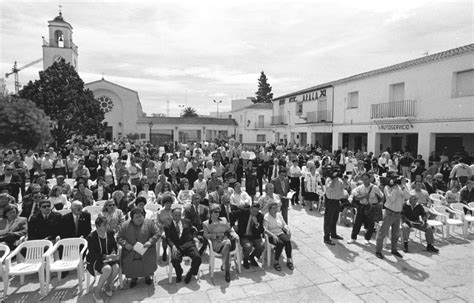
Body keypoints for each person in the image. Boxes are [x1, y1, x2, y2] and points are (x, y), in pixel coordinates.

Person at [118, 208, 160, 288]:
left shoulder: (149, 223)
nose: (139, 219)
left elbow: (157, 233)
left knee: (147, 265)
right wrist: (126, 244)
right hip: (131, 251)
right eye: (136, 217)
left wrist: (150, 241)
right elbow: (119, 237)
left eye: (140, 216)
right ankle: (134, 279)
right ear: (132, 218)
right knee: (134, 265)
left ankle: (147, 277)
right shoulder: (124, 225)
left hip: (146, 250)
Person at [375, 175, 410, 259]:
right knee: (383, 233)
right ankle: (378, 251)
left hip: (398, 214)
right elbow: (392, 199)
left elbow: (407, 197)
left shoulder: (402, 187)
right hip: (389, 213)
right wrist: (395, 188)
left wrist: (403, 187)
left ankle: (394, 250)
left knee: (395, 234)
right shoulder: (387, 188)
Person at [164, 207, 202, 284]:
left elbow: (193, 230)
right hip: (177, 246)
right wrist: (173, 246)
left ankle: (191, 273)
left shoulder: (187, 222)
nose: (177, 217)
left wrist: (194, 237)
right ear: (172, 215)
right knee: (174, 260)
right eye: (175, 215)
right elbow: (168, 239)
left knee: (197, 258)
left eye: (179, 215)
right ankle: (179, 272)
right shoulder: (167, 226)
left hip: (188, 244)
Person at [86, 216, 120, 301]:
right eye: (104, 225)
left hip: (109, 258)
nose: (106, 227)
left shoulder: (110, 233)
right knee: (107, 269)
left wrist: (114, 253)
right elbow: (93, 254)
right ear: (97, 226)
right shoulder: (91, 237)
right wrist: (106, 256)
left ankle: (107, 285)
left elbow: (114, 246)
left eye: (107, 224)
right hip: (96, 259)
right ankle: (97, 292)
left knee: (116, 268)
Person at [203, 204, 239, 282]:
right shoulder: (206, 223)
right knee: (228, 244)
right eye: (215, 212)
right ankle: (226, 266)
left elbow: (230, 230)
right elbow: (205, 235)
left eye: (218, 212)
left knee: (228, 243)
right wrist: (216, 235)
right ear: (211, 213)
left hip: (225, 241)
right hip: (216, 244)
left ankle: (226, 269)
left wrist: (235, 236)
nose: (217, 214)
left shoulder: (224, 220)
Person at [348, 173, 384, 245]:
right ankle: (353, 237)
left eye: (366, 179)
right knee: (357, 223)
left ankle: (367, 239)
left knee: (370, 224)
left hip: (371, 207)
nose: (365, 181)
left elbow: (381, 196)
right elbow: (355, 196)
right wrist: (362, 196)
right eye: (363, 179)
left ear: (369, 179)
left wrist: (379, 204)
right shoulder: (360, 187)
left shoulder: (374, 187)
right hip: (362, 206)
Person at [232, 203, 264, 269]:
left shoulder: (260, 216)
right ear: (250, 209)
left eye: (256, 212)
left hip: (254, 236)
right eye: (253, 211)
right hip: (244, 235)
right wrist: (233, 225)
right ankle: (245, 260)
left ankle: (252, 257)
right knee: (248, 246)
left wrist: (256, 224)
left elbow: (261, 230)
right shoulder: (243, 212)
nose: (255, 213)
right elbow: (231, 215)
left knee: (262, 246)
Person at [263, 201, 293, 271]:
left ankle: (289, 260)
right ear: (269, 209)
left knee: (287, 241)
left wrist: (287, 229)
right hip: (271, 235)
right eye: (274, 208)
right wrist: (273, 235)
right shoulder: (266, 217)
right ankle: (276, 262)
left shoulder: (279, 215)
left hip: (279, 232)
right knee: (280, 243)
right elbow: (265, 229)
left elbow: (284, 224)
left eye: (276, 208)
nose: (276, 210)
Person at [323, 168, 345, 245]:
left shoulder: (340, 180)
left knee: (334, 219)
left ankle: (333, 234)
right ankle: (326, 237)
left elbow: (343, 187)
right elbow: (329, 187)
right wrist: (333, 179)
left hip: (337, 201)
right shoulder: (328, 180)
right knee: (328, 220)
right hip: (330, 202)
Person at [156, 195, 174, 262]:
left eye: (170, 203)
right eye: (167, 203)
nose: (169, 205)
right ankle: (164, 251)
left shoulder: (173, 211)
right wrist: (162, 226)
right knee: (164, 236)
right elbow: (157, 222)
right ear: (164, 203)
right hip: (162, 229)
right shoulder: (160, 212)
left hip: (172, 229)